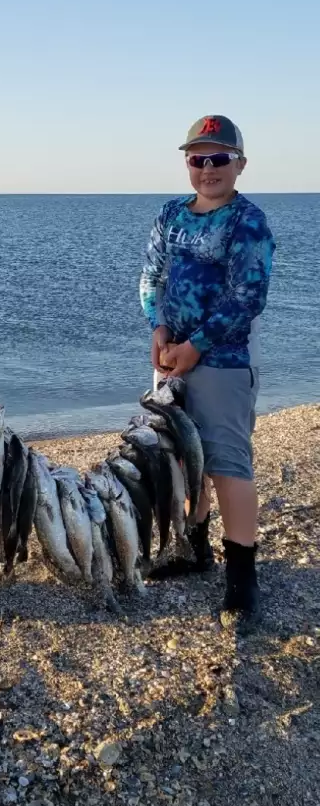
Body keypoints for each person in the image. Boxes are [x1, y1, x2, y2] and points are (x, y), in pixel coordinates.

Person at [139, 114, 275, 634]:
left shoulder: (248, 221)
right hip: (170, 357)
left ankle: (243, 580)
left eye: (219, 158)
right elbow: (151, 275)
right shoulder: (170, 213)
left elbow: (248, 296)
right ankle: (193, 549)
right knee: (179, 459)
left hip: (222, 360)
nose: (208, 168)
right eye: (198, 159)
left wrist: (196, 345)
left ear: (239, 163)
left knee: (226, 463)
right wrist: (157, 327)